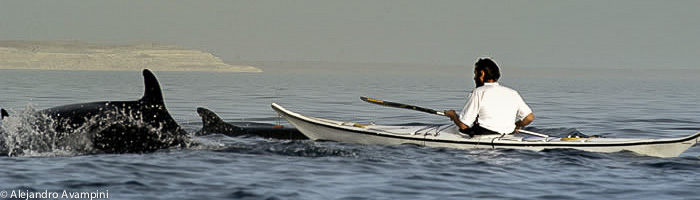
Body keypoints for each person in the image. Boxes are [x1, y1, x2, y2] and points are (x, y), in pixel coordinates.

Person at [444, 58, 534, 137]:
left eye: (475, 74)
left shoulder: (478, 92)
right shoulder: (513, 93)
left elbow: (464, 125)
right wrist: (516, 126)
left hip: (484, 137)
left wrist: (453, 115)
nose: (474, 77)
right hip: (508, 135)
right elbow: (529, 118)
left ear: (482, 74)